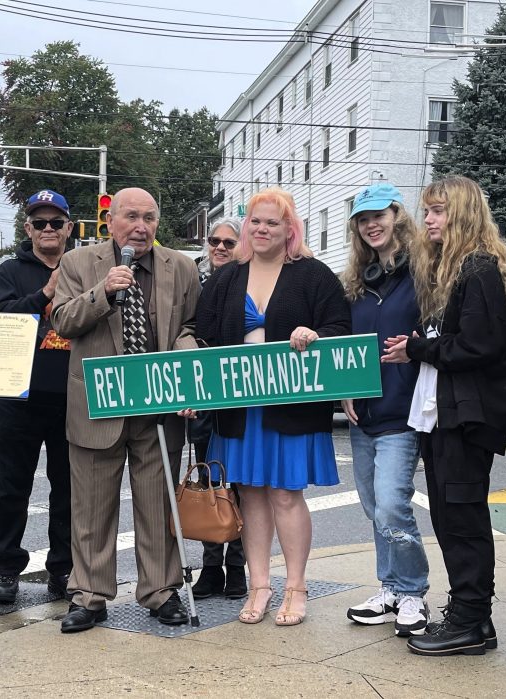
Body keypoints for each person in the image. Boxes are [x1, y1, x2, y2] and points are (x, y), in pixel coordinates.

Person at [383, 176, 506, 656]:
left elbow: (479, 346)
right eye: (427, 211)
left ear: (462, 212)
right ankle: (472, 619)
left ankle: (469, 620)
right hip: (447, 414)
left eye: (438, 211)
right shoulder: (457, 267)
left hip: (466, 418)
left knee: (461, 518)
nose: (428, 219)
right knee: (449, 516)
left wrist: (418, 347)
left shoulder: (480, 269)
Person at [50, 187, 201, 633]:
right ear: (111, 221)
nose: (141, 226)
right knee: (92, 510)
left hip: (157, 404)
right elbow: (62, 321)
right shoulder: (79, 263)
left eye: (149, 218)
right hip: (99, 405)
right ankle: (90, 596)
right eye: (131, 216)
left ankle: (161, 591)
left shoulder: (183, 266)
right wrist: (104, 292)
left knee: (157, 506)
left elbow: (191, 325)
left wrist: (185, 356)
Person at [197, 188, 349, 627]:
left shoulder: (313, 275)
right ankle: (260, 585)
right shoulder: (227, 278)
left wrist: (313, 332)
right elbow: (202, 337)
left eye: (272, 223)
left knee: (285, 495)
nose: (262, 229)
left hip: (292, 405)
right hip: (240, 407)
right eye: (255, 222)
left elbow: (340, 325)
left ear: (289, 230)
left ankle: (296, 587)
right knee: (251, 496)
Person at [339, 184, 430, 636]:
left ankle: (413, 591)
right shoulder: (357, 281)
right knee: (376, 507)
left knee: (394, 505)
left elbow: (438, 336)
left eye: (379, 214)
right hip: (363, 416)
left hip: (403, 412)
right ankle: (391, 588)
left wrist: (416, 349)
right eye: (362, 218)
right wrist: (344, 389)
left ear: (397, 215)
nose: (371, 224)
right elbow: (345, 347)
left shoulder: (424, 273)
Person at [0, 189, 73, 604]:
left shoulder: (83, 268)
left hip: (72, 398)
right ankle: (6, 568)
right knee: (9, 486)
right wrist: (43, 295)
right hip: (17, 397)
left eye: (56, 222)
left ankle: (63, 569)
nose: (48, 229)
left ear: (69, 227)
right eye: (40, 223)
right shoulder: (9, 271)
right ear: (28, 229)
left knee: (69, 489)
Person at [188, 217, 247, 601]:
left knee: (241, 485)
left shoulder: (253, 280)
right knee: (209, 482)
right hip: (205, 399)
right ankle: (211, 568)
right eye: (215, 241)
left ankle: (237, 567)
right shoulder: (195, 283)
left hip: (243, 398)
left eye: (229, 242)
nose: (221, 247)